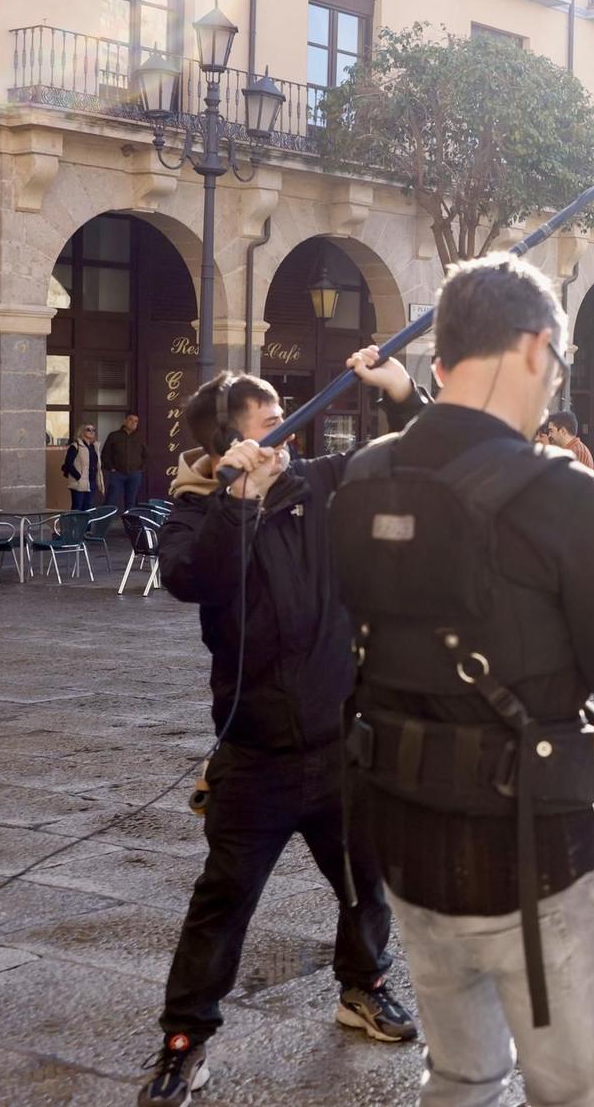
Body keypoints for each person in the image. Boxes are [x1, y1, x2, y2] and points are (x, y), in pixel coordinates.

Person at [328, 252, 594, 1107]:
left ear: (444, 359)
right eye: (557, 364)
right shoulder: (568, 495)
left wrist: (579, 727)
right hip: (534, 864)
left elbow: (419, 651)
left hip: (405, 847)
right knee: (579, 1095)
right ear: (534, 348)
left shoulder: (365, 477)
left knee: (458, 1079)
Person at [139, 348, 427, 1106]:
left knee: (366, 882)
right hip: (256, 754)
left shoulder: (323, 486)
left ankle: (362, 984)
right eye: (270, 425)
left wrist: (400, 390)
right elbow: (191, 580)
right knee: (223, 900)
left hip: (339, 740)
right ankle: (184, 1040)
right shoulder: (198, 510)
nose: (286, 435)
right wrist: (238, 500)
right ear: (226, 445)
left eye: (285, 421)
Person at [102, 412, 148, 514]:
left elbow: (146, 455)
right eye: (131, 420)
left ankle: (129, 527)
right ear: (125, 421)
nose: (133, 423)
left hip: (134, 474)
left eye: (136, 421)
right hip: (117, 474)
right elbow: (105, 454)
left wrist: (141, 469)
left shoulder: (140, 437)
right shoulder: (114, 435)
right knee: (111, 500)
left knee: (131, 502)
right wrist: (111, 468)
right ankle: (103, 526)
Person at [62, 422, 101, 512]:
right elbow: (68, 463)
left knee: (89, 508)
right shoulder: (75, 446)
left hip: (91, 481)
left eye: (93, 430)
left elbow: (97, 464)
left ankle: (87, 526)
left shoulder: (94, 447)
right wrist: (78, 476)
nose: (91, 432)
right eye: (88, 429)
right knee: (78, 507)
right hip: (79, 482)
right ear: (82, 432)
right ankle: (75, 526)